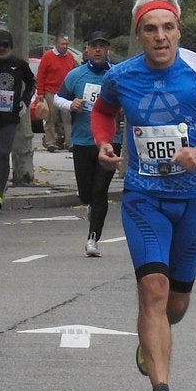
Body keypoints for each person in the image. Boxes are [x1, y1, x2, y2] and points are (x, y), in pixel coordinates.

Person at [91, 0, 196, 391]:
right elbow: (103, 114)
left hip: (195, 201)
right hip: (144, 198)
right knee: (153, 291)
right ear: (139, 34)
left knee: (175, 305)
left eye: (167, 28)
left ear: (178, 29)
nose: (160, 37)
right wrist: (106, 142)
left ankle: (149, 341)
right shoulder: (121, 76)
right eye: (150, 29)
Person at [54, 31, 119, 256]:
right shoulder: (76, 75)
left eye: (103, 46)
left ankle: (93, 239)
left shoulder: (116, 74)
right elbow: (57, 98)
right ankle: (91, 205)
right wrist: (71, 105)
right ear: (87, 50)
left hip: (110, 142)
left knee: (100, 190)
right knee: (86, 193)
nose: (99, 50)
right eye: (95, 46)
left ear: (108, 50)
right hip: (82, 140)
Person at [0, 31, 34, 213]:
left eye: (6, 45)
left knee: (4, 152)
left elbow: (31, 82)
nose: (2, 48)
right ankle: (1, 183)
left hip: (10, 117)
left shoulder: (19, 65)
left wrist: (25, 101)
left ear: (11, 47)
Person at [35, 35, 76, 151]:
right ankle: (50, 142)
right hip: (50, 92)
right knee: (50, 118)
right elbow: (41, 75)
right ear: (57, 44)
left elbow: (73, 73)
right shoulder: (48, 56)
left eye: (67, 44)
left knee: (67, 119)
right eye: (63, 44)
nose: (65, 46)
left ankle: (70, 142)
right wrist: (40, 93)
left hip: (65, 92)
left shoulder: (70, 57)